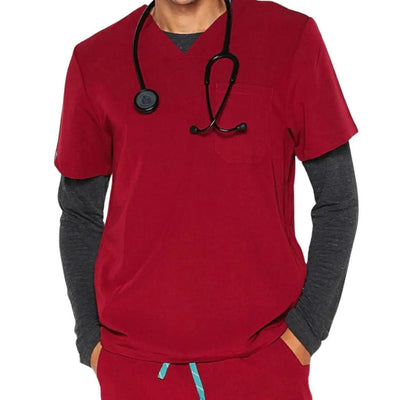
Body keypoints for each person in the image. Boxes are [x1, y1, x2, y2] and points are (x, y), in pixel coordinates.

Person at [55, 0, 359, 399]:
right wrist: (91, 341)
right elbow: (79, 213)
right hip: (135, 368)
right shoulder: (96, 60)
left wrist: (307, 330)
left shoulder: (290, 39)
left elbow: (337, 198)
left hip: (266, 364)